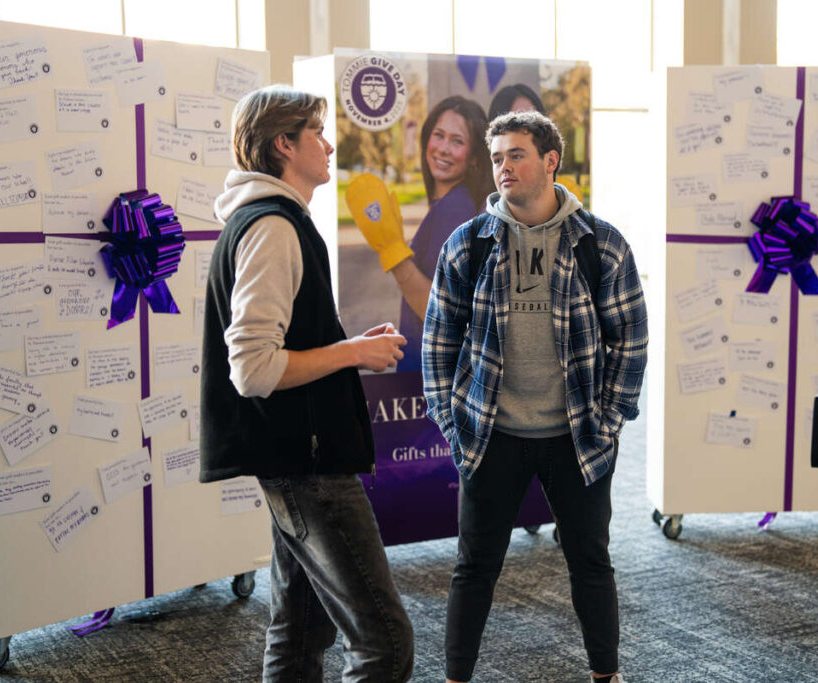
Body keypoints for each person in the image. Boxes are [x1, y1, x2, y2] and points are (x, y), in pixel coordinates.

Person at [199, 84, 414, 683]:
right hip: (308, 467)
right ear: (283, 144)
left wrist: (349, 350)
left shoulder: (273, 221)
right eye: (315, 132)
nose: (328, 143)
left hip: (297, 459)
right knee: (385, 642)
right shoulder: (272, 228)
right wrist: (350, 352)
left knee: (299, 632)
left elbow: (277, 347)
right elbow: (255, 369)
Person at [423, 111, 647, 683]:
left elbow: (630, 339)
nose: (503, 167)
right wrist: (454, 424)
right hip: (492, 434)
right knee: (474, 567)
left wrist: (609, 419)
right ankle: (455, 677)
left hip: (577, 436)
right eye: (496, 157)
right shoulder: (466, 246)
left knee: (591, 563)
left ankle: (607, 675)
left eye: (516, 154)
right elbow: (438, 343)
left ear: (550, 161)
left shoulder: (601, 245)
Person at [346, 95, 493, 371]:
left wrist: (394, 252)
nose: (443, 149)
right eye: (439, 135)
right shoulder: (453, 204)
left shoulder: (453, 210)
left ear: (474, 158)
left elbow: (442, 313)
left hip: (431, 374)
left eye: (457, 141)